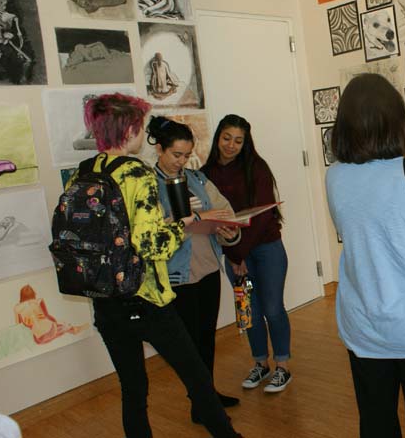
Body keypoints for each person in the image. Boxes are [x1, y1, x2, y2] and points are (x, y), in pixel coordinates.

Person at [78, 93, 243, 438]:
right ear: (130, 130)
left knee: (133, 389)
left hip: (106, 297)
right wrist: (188, 220)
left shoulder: (86, 170)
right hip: (147, 296)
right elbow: (153, 243)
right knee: (197, 377)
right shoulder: (136, 173)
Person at [325, 73, 405, 438]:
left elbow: (352, 229)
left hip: (363, 325)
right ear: (397, 121)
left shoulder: (334, 176)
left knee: (376, 422)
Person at [146, 116, 242, 421]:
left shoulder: (198, 180)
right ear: (159, 149)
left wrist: (229, 230)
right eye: (176, 155)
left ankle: (206, 396)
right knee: (189, 346)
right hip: (178, 276)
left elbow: (225, 212)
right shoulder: (148, 186)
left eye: (187, 155)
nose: (182, 162)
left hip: (208, 270)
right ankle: (202, 402)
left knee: (206, 337)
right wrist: (193, 219)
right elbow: (152, 232)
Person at [201, 115, 292, 393]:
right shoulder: (206, 173)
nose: (231, 145)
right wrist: (233, 255)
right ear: (218, 137)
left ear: (246, 143)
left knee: (273, 308)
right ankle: (260, 364)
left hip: (266, 249)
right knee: (248, 310)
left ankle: (282, 367)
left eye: (238, 141)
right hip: (234, 254)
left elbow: (262, 217)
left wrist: (238, 254)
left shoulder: (257, 168)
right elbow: (211, 221)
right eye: (227, 138)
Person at [14, 284, 88, 344]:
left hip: (39, 338)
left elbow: (19, 325)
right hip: (51, 329)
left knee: (38, 340)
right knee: (56, 325)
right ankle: (69, 328)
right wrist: (56, 323)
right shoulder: (39, 301)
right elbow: (47, 316)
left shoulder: (17, 308)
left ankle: (68, 329)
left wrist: (30, 323)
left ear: (22, 296)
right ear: (33, 294)